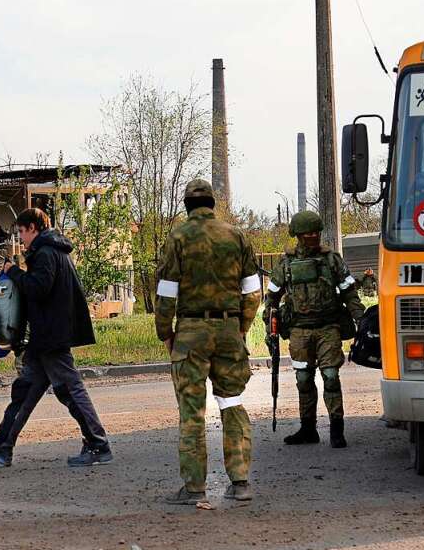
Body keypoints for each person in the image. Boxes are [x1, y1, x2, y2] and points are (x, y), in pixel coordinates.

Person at [0, 208, 112, 467]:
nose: (21, 237)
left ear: (33, 228)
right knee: (24, 391)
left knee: (70, 389)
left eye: (22, 232)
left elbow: (38, 288)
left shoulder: (46, 253)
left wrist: (14, 272)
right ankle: (2, 445)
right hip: (46, 335)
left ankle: (98, 444)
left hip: (52, 335)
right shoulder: (51, 251)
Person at [156, 179, 262, 505]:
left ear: (186, 206)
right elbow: (253, 292)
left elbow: (165, 294)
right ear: (212, 204)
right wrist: (241, 327)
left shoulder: (177, 237)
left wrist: (167, 334)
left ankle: (193, 488)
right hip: (230, 330)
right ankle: (241, 481)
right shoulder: (236, 236)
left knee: (192, 412)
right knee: (232, 402)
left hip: (190, 332)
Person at [264, 210, 366, 449]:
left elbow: (350, 293)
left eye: (316, 232)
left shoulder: (331, 259)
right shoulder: (286, 263)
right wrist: (270, 325)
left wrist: (361, 320)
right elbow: (272, 297)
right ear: (298, 235)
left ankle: (337, 429)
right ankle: (308, 428)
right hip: (299, 330)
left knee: (331, 376)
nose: (313, 236)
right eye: (308, 232)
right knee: (303, 378)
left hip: (328, 327)